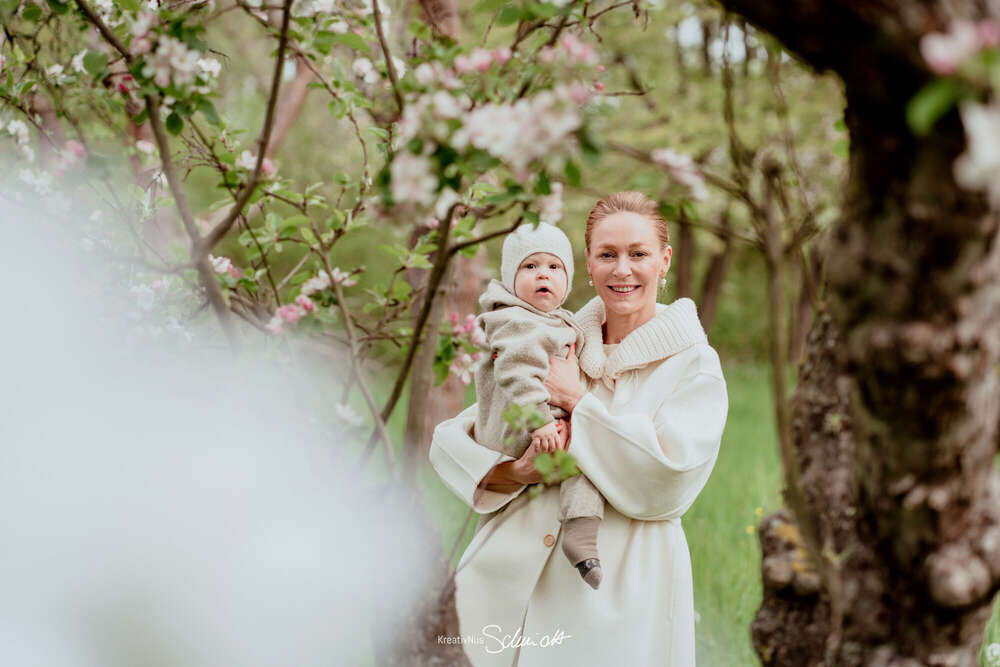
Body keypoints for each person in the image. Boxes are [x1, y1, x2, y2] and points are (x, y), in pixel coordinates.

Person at [429, 191, 729, 666]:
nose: (622, 270)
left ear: (664, 260)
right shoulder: (555, 337)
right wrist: (517, 472)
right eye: (607, 255)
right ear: (586, 263)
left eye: (638, 254)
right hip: (506, 580)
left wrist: (579, 402)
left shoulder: (693, 365)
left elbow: (669, 479)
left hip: (618, 596)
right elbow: (453, 439)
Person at [473, 222, 606, 589]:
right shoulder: (514, 320)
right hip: (520, 425)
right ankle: (581, 533)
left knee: (586, 454)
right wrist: (540, 421)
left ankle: (582, 537)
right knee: (584, 454)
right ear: (510, 278)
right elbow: (517, 372)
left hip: (538, 421)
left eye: (554, 267)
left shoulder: (555, 320)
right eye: (530, 267)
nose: (543, 274)